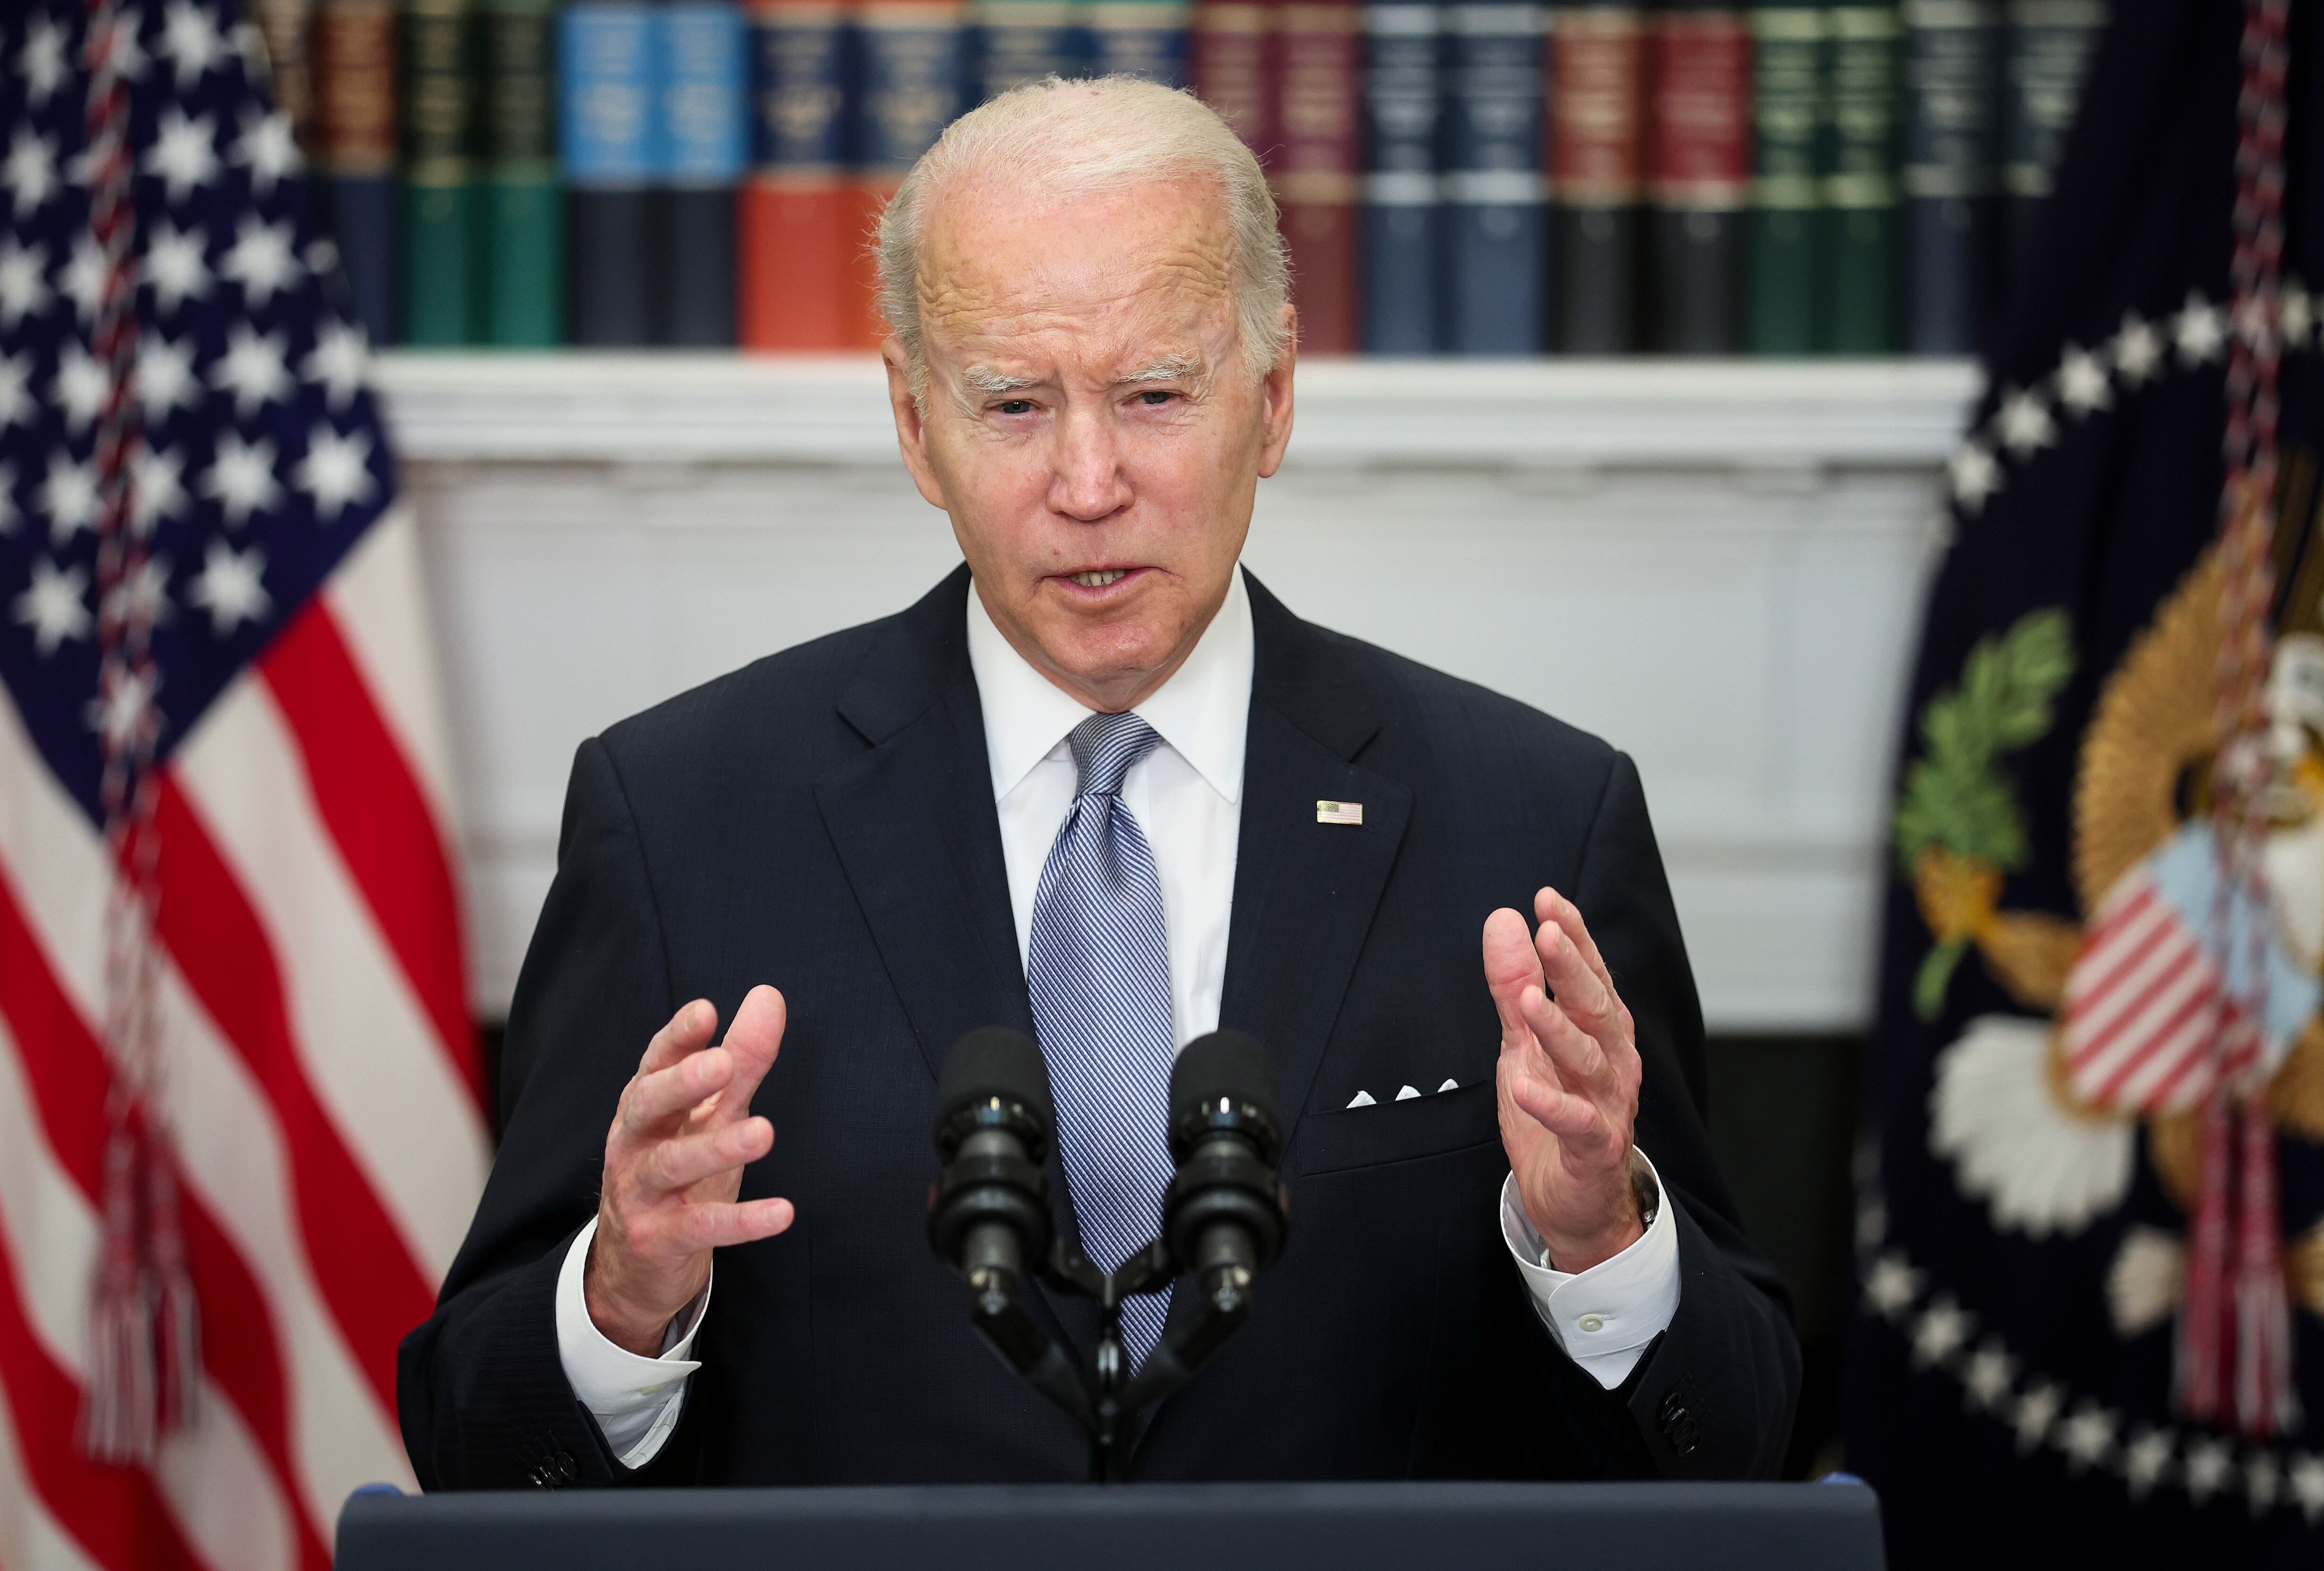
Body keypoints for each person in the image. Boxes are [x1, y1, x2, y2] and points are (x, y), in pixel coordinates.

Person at [397, 76, 1800, 1490]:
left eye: (1152, 395)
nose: (1087, 481)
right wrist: (623, 1301)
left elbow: (1740, 1438)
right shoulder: (683, 821)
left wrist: (1601, 1237)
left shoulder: (1533, 822)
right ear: (912, 423)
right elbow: (473, 1437)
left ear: (1272, 398)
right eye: (1014, 403)